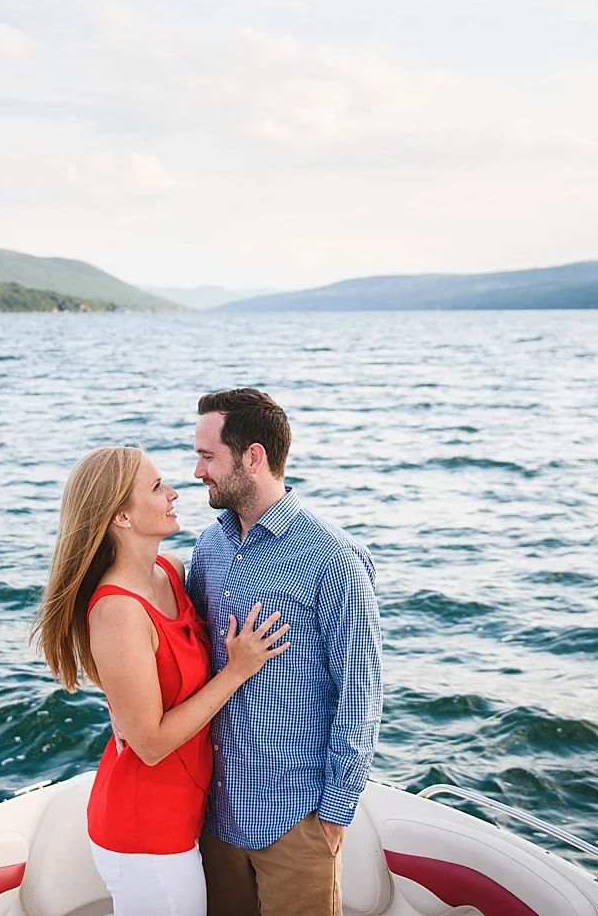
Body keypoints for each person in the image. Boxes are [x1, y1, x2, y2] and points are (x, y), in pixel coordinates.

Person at [34, 445, 290, 916]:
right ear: (122, 518)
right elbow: (149, 744)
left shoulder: (171, 571)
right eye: (155, 487)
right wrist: (236, 672)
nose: (173, 493)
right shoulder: (117, 613)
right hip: (144, 832)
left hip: (188, 812)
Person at [187, 388, 383, 916]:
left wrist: (333, 818)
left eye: (207, 456)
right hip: (217, 817)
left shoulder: (333, 558)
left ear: (253, 457)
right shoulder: (208, 549)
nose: (197, 470)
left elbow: (361, 697)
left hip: (295, 820)